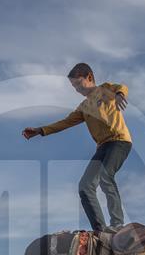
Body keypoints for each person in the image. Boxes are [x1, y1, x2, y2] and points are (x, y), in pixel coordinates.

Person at [23, 63, 131, 233]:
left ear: (89, 77)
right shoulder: (83, 107)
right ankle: (100, 230)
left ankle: (117, 224)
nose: (77, 89)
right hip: (102, 147)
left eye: (79, 84)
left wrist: (119, 95)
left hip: (119, 142)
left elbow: (122, 87)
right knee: (85, 186)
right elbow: (65, 123)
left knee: (105, 175)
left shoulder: (105, 89)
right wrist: (40, 130)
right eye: (74, 86)